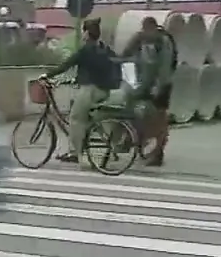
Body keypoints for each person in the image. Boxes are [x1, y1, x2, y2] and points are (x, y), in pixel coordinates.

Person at [39, 18, 121, 163]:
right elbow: (94, 70)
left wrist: (47, 75)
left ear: (87, 34)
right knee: (86, 118)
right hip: (105, 90)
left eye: (84, 31)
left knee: (75, 119)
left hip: (90, 90)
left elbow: (67, 64)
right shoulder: (105, 49)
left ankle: (74, 153)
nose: (83, 34)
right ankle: (90, 142)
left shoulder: (86, 50)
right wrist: (70, 80)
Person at [123, 16, 177, 166]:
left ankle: (158, 153)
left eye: (145, 29)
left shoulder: (163, 41)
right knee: (137, 110)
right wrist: (135, 38)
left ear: (152, 27)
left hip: (162, 85)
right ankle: (139, 140)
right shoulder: (144, 39)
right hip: (146, 84)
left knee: (160, 120)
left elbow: (165, 66)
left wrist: (158, 87)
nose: (144, 32)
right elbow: (126, 53)